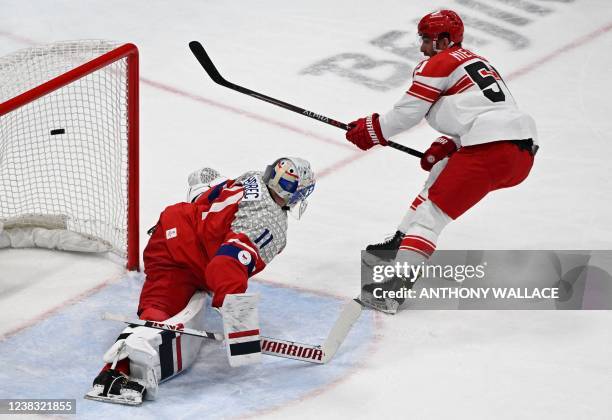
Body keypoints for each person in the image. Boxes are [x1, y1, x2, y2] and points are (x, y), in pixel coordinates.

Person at [344, 10, 538, 313]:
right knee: (440, 173)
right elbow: (484, 112)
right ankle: (400, 242)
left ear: (444, 40)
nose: (422, 47)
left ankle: (392, 291)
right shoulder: (476, 62)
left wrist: (371, 130)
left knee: (430, 219)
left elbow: (408, 113)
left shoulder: (440, 62)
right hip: (518, 151)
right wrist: (451, 144)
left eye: (426, 39)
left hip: (491, 150)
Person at [85, 157, 316, 405]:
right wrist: (240, 326)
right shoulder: (270, 223)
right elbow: (225, 266)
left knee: (157, 309)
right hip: (186, 262)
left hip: (169, 234)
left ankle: (113, 372)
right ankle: (121, 368)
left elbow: (208, 198)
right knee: (160, 317)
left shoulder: (254, 177)